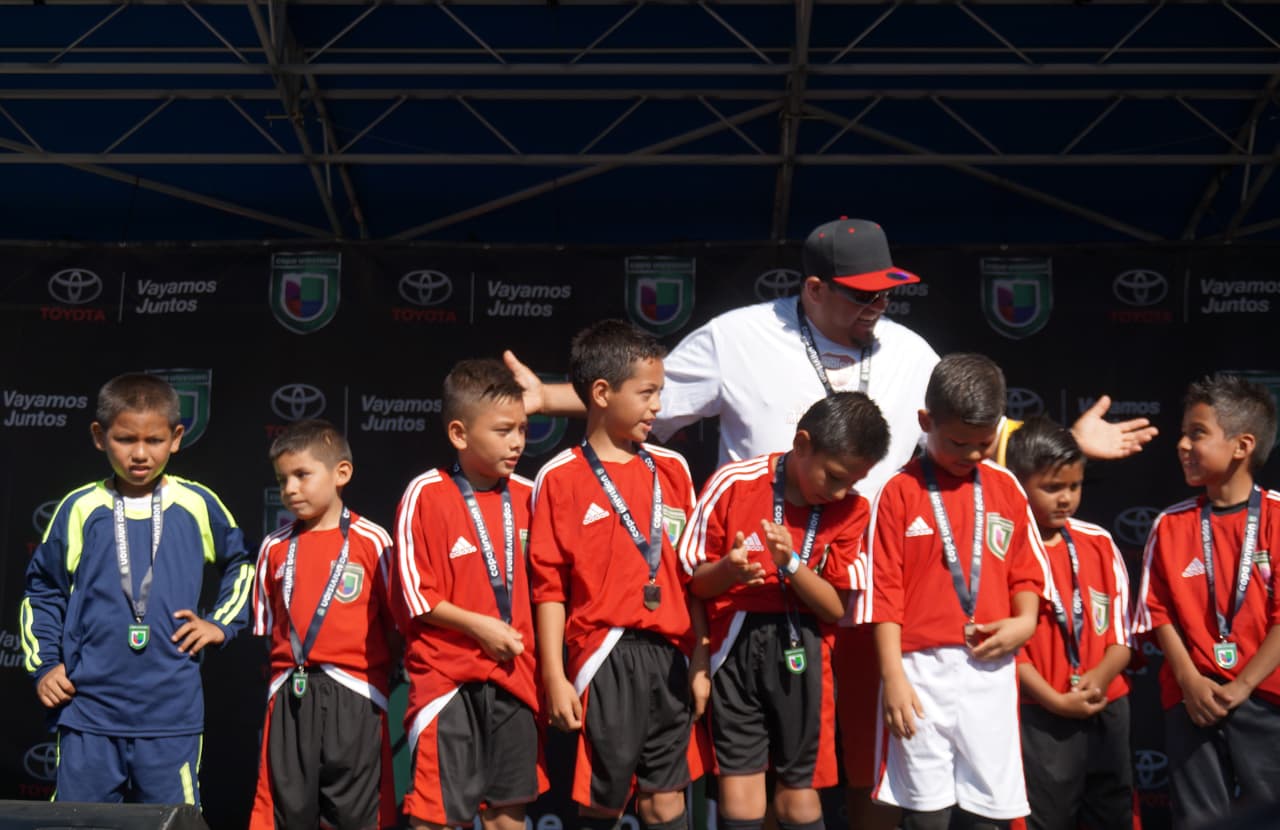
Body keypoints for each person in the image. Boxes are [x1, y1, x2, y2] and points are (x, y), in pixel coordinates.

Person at [505, 217, 1157, 829]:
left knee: (872, 766)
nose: (876, 308)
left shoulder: (908, 348)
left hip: (876, 590)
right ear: (813, 288)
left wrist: (1066, 440)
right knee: (769, 771)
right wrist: (548, 398)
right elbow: (641, 393)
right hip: (767, 599)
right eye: (860, 296)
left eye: (884, 295)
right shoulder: (739, 336)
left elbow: (968, 428)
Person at [20, 372, 254, 806]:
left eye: (154, 440)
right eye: (126, 440)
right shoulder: (80, 507)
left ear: (177, 438)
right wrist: (45, 664)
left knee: (174, 822)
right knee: (77, 822)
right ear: (99, 436)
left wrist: (220, 623)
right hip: (88, 712)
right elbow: (43, 591)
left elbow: (244, 564)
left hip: (170, 715)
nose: (141, 454)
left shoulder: (197, 504)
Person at [678, 391, 891, 830]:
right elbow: (695, 582)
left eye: (850, 482)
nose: (836, 492)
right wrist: (729, 571)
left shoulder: (854, 509)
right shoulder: (734, 482)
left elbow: (834, 607)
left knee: (799, 798)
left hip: (805, 651)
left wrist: (791, 564)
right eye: (832, 477)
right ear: (802, 444)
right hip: (734, 647)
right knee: (740, 800)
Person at [857, 353, 1049, 830]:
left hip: (990, 670)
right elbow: (884, 592)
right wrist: (893, 678)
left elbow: (1027, 571)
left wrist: (1024, 621)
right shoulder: (898, 492)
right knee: (926, 815)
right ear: (926, 421)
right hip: (918, 673)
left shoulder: (1005, 488)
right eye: (957, 442)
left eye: (983, 444)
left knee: (990, 814)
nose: (971, 455)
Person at [529, 319, 709, 830]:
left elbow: (691, 576)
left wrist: (699, 656)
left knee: (667, 801)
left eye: (661, 393)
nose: (658, 406)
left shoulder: (673, 469)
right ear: (602, 393)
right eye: (648, 393)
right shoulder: (559, 476)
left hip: (671, 655)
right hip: (605, 655)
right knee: (603, 801)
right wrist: (554, 674)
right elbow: (548, 586)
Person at [394, 359, 546, 830]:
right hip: (447, 681)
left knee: (507, 816)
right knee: (436, 817)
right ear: (459, 434)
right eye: (503, 430)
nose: (518, 442)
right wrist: (478, 626)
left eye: (522, 428)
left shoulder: (532, 495)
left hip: (517, 679)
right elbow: (416, 595)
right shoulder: (425, 493)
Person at [1134, 374, 1280, 829]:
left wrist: (1243, 686)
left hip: (1265, 698)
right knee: (1197, 820)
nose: (1182, 444)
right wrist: (1189, 678)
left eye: (1197, 433)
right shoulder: (1170, 525)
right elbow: (1156, 611)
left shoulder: (1277, 518)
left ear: (1242, 445)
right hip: (1191, 699)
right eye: (1183, 432)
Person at [249, 419, 399, 830]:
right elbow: (268, 629)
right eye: (282, 480)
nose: (290, 489)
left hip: (356, 692)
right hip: (290, 692)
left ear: (341, 474)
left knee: (356, 814)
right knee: (286, 812)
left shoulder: (374, 541)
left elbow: (396, 623)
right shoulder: (273, 548)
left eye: (302, 475)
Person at [1005, 417, 1134, 830]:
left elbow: (1121, 637)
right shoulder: (1004, 548)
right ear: (1019, 486)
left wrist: (1099, 677)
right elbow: (1008, 650)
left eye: (1074, 487)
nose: (1065, 499)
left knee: (1110, 815)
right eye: (1052, 488)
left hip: (1105, 703)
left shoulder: (1098, 542)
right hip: (1040, 712)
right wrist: (1054, 700)